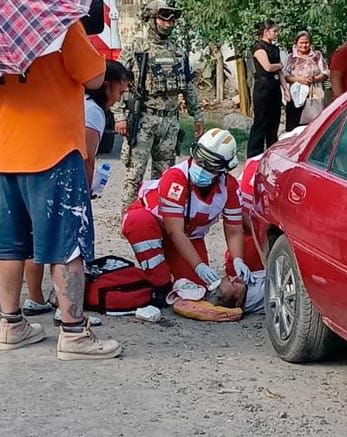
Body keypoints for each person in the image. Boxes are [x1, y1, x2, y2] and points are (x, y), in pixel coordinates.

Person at [0, 20, 121, 359]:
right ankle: (73, 334)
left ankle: (11, 325)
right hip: (56, 151)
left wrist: (8, 129)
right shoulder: (58, 21)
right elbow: (96, 79)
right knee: (67, 243)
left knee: (9, 245)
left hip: (9, 155)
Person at [22, 60, 131, 317]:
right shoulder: (93, 111)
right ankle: (66, 307)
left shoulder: (74, 101)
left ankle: (35, 298)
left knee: (37, 238)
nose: (119, 98)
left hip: (40, 171)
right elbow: (86, 156)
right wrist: (86, 189)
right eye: (120, 91)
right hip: (68, 180)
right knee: (69, 245)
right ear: (106, 86)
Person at [120, 128, 249, 305]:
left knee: (197, 289)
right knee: (138, 222)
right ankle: (160, 284)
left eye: (209, 164)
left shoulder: (230, 188)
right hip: (157, 227)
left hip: (189, 236)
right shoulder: (175, 178)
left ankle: (168, 276)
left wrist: (238, 259)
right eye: (199, 157)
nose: (200, 165)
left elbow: (234, 229)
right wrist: (199, 266)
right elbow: (175, 232)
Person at [113, 0, 204, 212]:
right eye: (164, 17)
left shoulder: (178, 51)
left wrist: (197, 115)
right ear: (151, 19)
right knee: (134, 174)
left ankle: (157, 216)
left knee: (164, 175)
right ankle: (129, 217)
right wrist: (119, 115)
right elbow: (117, 80)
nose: (169, 23)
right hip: (144, 119)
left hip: (170, 121)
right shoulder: (137, 48)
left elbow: (188, 86)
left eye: (172, 18)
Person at [246, 20, 286, 158]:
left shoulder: (275, 49)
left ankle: (271, 154)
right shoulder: (259, 48)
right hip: (263, 88)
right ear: (266, 31)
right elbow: (268, 67)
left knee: (273, 123)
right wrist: (279, 65)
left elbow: (279, 72)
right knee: (261, 122)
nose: (276, 34)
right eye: (274, 31)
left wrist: (285, 90)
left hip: (274, 89)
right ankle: (253, 155)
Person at [283, 31, 329, 130]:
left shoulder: (316, 56)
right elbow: (285, 75)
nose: (304, 45)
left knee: (315, 126)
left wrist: (315, 78)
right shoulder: (291, 58)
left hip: (314, 95)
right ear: (296, 43)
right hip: (295, 96)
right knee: (294, 127)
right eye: (301, 43)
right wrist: (298, 79)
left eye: (306, 43)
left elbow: (325, 73)